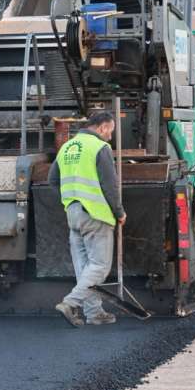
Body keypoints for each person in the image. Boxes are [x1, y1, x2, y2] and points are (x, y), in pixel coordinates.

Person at [48, 111, 126, 327]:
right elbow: (110, 186)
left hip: (73, 214)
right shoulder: (100, 148)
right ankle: (70, 303)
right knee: (99, 267)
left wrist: (70, 200)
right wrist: (119, 212)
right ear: (102, 127)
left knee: (85, 269)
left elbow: (52, 180)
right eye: (110, 131)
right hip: (96, 214)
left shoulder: (67, 147)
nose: (110, 136)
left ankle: (94, 313)